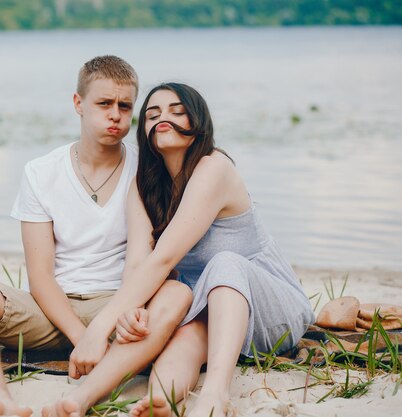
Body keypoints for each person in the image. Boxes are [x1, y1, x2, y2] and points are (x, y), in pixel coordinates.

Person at [42, 83, 314, 417]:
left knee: (224, 263)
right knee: (185, 338)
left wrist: (99, 328)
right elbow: (139, 263)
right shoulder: (143, 186)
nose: (162, 119)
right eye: (152, 114)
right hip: (207, 310)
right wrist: (133, 310)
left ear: (197, 120)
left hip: (269, 308)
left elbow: (165, 258)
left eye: (176, 110)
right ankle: (131, 401)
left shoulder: (214, 168)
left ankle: (216, 394)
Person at [0, 58, 193, 417]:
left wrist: (117, 320)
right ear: (78, 103)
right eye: (104, 104)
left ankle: (92, 393)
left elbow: (143, 258)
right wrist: (82, 337)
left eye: (125, 106)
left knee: (177, 292)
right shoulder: (41, 172)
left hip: (115, 306)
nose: (116, 116)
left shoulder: (146, 168)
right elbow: (41, 277)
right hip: (50, 309)